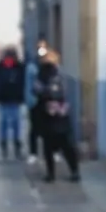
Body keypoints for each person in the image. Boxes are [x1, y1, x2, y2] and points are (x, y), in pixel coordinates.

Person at [34, 50, 80, 182]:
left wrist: (49, 92)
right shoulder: (40, 74)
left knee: (67, 145)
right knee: (48, 146)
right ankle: (50, 173)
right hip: (46, 115)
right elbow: (37, 90)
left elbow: (61, 92)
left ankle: (74, 171)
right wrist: (50, 91)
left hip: (60, 114)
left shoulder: (60, 75)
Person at [0, 46, 26, 159]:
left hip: (14, 98)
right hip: (4, 98)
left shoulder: (19, 67)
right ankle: (6, 143)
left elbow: (22, 82)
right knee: (6, 122)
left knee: (13, 122)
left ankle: (14, 142)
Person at [24, 38, 48, 164]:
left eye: (43, 46)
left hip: (47, 100)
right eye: (39, 47)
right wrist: (29, 101)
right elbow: (28, 85)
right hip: (35, 101)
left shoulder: (50, 62)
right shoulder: (32, 65)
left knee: (48, 129)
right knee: (34, 128)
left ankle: (49, 151)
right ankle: (33, 153)